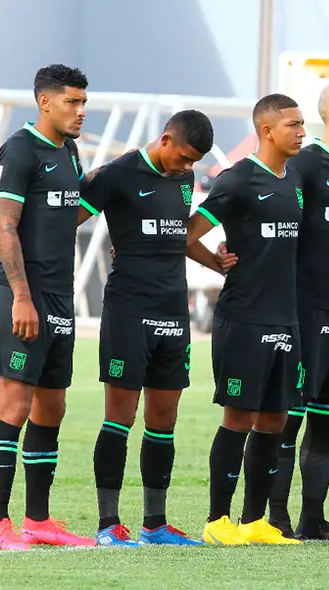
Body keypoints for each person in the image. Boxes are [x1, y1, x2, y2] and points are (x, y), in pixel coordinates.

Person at [81, 110, 218, 547]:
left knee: (164, 418)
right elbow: (64, 222)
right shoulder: (116, 175)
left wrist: (218, 263)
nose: (186, 168)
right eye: (181, 157)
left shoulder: (182, 179)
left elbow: (177, 235)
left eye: (193, 162)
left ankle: (155, 524)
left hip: (173, 311)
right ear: (164, 139)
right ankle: (108, 526)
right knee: (119, 417)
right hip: (128, 310)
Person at [187, 94, 306, 546]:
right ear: (267, 130)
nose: (300, 132)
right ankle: (218, 520)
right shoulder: (237, 180)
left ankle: (256, 520)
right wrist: (215, 265)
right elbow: (188, 233)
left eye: (301, 124)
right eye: (293, 125)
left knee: (275, 420)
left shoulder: (294, 178)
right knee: (238, 417)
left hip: (286, 318)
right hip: (244, 318)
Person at [0, 64, 95, 550]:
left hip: (59, 296)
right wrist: (22, 297)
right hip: (22, 296)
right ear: (45, 101)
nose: (80, 111)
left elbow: (61, 216)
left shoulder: (69, 151)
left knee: (52, 407)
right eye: (72, 101)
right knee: (14, 404)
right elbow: (5, 226)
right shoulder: (20, 149)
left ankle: (38, 521)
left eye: (83, 102)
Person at [263, 80, 329, 542]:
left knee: (327, 417)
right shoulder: (304, 165)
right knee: (289, 419)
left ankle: (313, 519)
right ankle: (276, 519)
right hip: (303, 312)